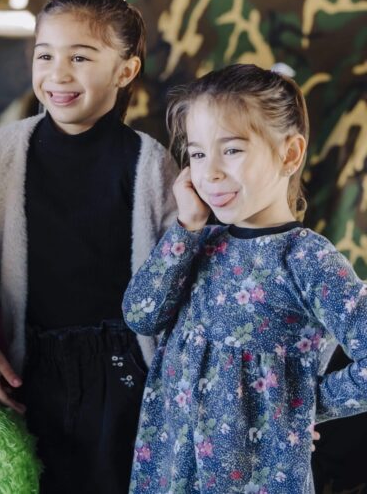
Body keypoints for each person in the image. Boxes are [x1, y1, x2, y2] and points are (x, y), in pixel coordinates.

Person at [0, 0, 177, 492]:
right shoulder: (0, 151)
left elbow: (177, 277)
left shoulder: (150, 162)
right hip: (30, 369)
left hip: (126, 373)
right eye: (45, 54)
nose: (58, 73)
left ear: (126, 70)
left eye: (80, 57)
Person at [123, 64, 367, 493]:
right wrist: (185, 228)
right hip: (169, 472)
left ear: (289, 154)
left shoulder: (306, 258)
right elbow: (140, 315)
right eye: (197, 154)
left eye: (231, 150)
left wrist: (301, 407)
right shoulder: (198, 241)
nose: (210, 172)